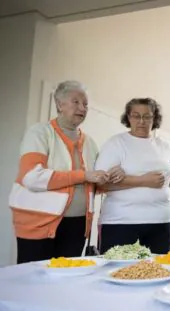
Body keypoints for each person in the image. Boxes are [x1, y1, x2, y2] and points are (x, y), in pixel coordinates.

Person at [9, 80, 116, 264]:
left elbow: (93, 185)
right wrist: (83, 176)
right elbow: (31, 177)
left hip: (78, 225)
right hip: (38, 224)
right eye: (76, 102)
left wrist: (108, 178)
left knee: (65, 280)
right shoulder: (40, 132)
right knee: (34, 281)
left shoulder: (90, 142)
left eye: (85, 104)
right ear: (59, 104)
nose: (82, 108)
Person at [95, 98, 170, 254]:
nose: (141, 121)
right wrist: (143, 181)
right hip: (120, 222)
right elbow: (100, 184)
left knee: (156, 272)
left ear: (154, 118)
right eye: (136, 115)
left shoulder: (163, 145)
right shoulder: (116, 143)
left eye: (147, 116)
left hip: (161, 221)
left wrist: (167, 183)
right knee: (118, 271)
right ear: (128, 117)